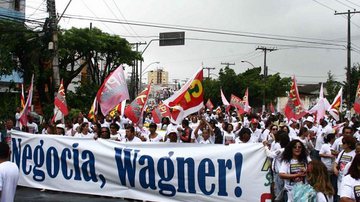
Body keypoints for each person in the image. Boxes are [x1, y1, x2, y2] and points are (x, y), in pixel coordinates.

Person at [333, 135, 356, 200]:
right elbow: (336, 162)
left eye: (344, 143)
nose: (342, 144)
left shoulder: (354, 154)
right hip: (340, 178)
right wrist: (335, 168)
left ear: (349, 144)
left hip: (348, 179)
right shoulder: (342, 152)